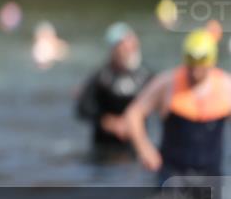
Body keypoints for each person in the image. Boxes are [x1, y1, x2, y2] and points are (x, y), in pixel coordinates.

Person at [125, 29, 231, 187]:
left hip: (211, 176)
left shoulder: (226, 87)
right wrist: (144, 148)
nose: (195, 68)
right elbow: (134, 114)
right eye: (191, 59)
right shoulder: (167, 83)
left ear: (212, 60)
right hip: (172, 174)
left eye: (201, 60)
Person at [75, 22, 153, 158]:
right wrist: (108, 122)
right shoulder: (102, 76)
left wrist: (132, 122)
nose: (129, 50)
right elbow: (83, 109)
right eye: (123, 46)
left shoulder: (146, 75)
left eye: (132, 46)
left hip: (135, 144)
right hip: (106, 146)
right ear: (114, 49)